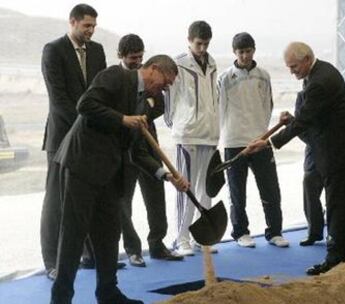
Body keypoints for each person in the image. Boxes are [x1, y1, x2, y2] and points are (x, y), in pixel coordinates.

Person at [50, 55, 190, 304]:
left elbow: (137, 152)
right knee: (73, 234)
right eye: (165, 82)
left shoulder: (145, 104)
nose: (166, 88)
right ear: (154, 69)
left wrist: (166, 174)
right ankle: (60, 299)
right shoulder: (116, 75)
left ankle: (108, 293)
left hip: (109, 173)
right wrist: (122, 119)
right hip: (81, 165)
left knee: (109, 234)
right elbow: (85, 105)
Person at [246, 42, 345, 275]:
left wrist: (269, 142)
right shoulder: (321, 71)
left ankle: (336, 258)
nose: (292, 72)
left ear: (307, 59)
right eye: (289, 67)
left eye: (294, 66)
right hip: (335, 148)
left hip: (336, 151)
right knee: (343, 203)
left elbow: (304, 120)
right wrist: (293, 120)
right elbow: (312, 114)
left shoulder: (320, 81)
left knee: (337, 205)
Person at [40, 3, 106, 280]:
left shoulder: (98, 51)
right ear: (72, 22)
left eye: (93, 26)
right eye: (86, 26)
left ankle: (89, 255)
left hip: (89, 136)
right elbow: (58, 99)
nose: (90, 31)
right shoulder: (53, 50)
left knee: (87, 197)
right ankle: (53, 262)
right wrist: (85, 124)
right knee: (56, 200)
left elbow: (100, 92)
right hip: (62, 137)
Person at [217, 32, 289, 248]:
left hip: (261, 140)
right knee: (237, 191)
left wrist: (261, 132)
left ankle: (275, 232)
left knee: (270, 189)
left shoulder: (263, 76)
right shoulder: (225, 78)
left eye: (248, 51)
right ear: (234, 52)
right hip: (234, 141)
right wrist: (226, 136)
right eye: (241, 52)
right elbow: (220, 110)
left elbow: (268, 106)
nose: (245, 56)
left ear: (254, 50)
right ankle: (241, 232)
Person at [117, 34, 183, 267]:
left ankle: (157, 243)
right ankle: (133, 249)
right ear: (121, 57)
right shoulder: (117, 80)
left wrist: (144, 112)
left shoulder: (152, 79)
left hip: (148, 144)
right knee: (124, 201)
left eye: (140, 57)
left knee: (156, 196)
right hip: (126, 150)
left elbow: (158, 106)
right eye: (133, 58)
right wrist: (142, 110)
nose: (137, 62)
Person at [164, 20, 220, 256]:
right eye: (199, 44)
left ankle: (202, 237)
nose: (203, 48)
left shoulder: (213, 62)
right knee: (185, 189)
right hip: (187, 135)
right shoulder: (179, 64)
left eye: (206, 44)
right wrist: (178, 124)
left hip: (209, 134)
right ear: (189, 40)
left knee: (206, 190)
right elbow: (170, 99)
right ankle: (181, 238)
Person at [296, 84, 345, 247]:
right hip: (316, 149)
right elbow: (301, 129)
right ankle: (315, 231)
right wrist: (321, 143)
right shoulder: (302, 95)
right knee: (309, 181)